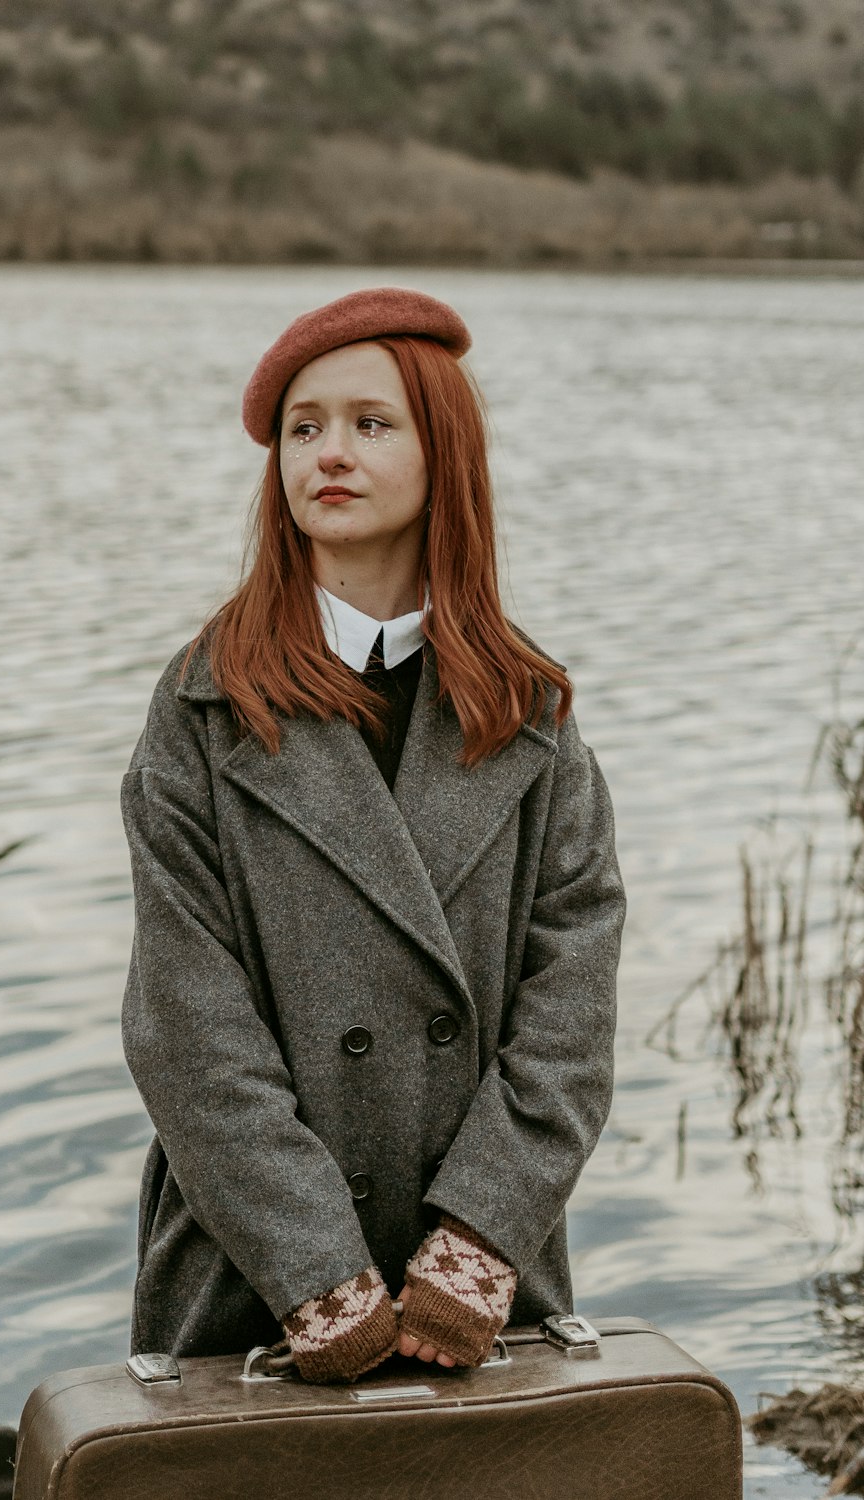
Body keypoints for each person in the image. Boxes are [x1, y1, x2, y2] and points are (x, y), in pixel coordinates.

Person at [120, 286, 625, 1383]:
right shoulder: (205, 708)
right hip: (251, 1273)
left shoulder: (528, 709)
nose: (328, 454)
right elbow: (186, 1024)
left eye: (369, 423)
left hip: (484, 1283)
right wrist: (315, 1270)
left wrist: (480, 1242)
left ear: (445, 454)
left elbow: (571, 1004)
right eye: (304, 429)